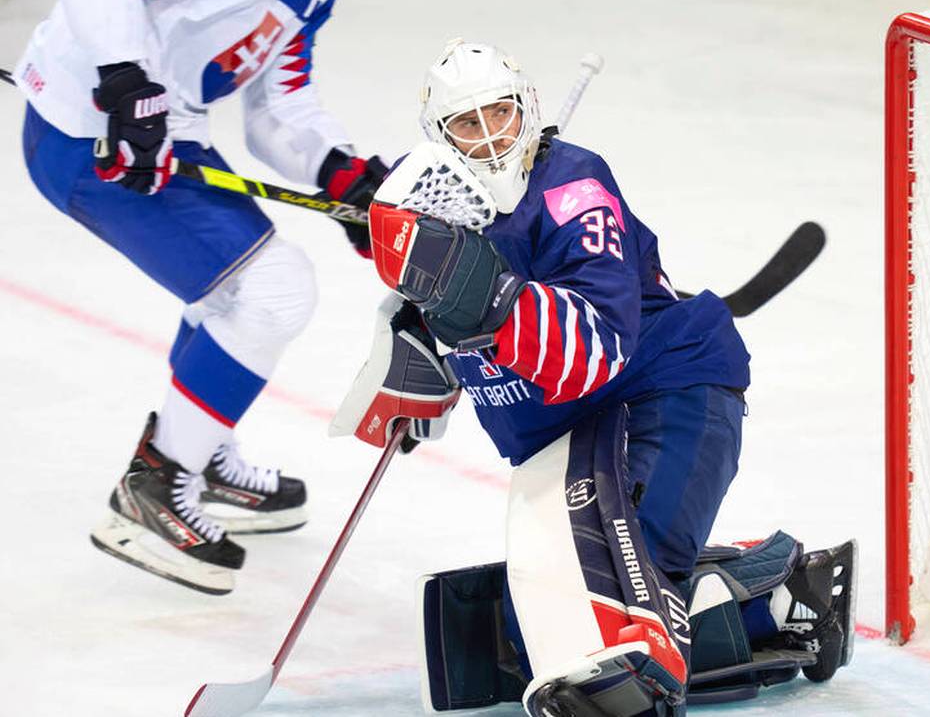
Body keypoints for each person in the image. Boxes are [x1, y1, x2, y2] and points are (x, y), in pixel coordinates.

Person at [332, 40, 856, 715]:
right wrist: (416, 350)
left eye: (501, 113)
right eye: (467, 123)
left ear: (528, 110)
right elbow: (439, 340)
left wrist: (482, 291)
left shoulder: (575, 192)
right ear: (439, 135)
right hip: (567, 443)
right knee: (541, 639)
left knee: (620, 615)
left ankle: (763, 607)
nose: (490, 136)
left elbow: (596, 350)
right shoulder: (438, 220)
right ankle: (772, 596)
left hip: (668, 394)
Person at [14, 0, 388, 596]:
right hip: (90, 134)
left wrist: (340, 173)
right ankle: (155, 491)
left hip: (164, 131)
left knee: (238, 289)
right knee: (273, 289)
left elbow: (279, 104)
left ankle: (200, 448)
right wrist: (123, 76)